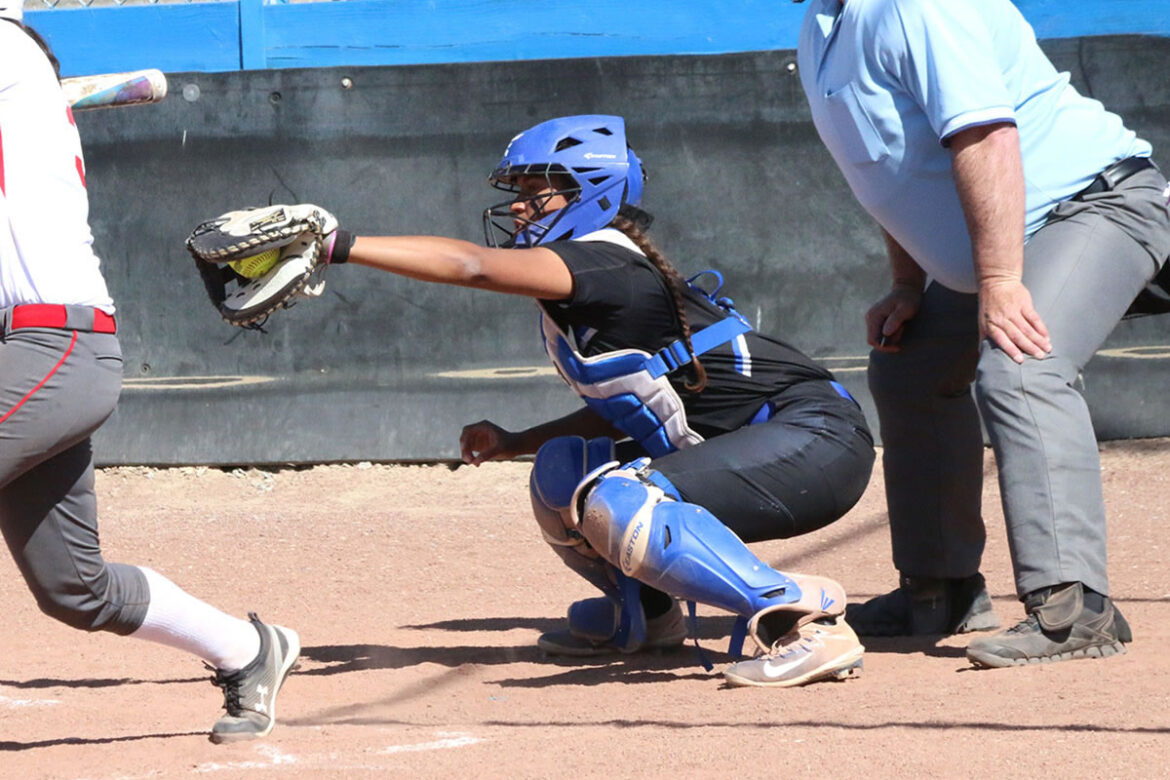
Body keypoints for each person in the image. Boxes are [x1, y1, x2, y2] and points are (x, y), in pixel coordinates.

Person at [314, 114, 876, 687]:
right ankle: (646, 617)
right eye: (521, 192)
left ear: (591, 193)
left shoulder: (604, 263)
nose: (519, 207)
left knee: (622, 498)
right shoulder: (595, 270)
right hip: (770, 444)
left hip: (818, 441)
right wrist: (518, 442)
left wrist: (340, 246)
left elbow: (472, 265)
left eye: (538, 191)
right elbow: (634, 405)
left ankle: (804, 621)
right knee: (564, 468)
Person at [795, 0, 1170, 666]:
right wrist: (909, 285)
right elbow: (887, 171)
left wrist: (998, 282)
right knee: (910, 365)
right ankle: (939, 590)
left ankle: (1075, 608)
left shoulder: (917, 5)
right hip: (1004, 237)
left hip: (1094, 202)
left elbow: (987, 136)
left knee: (1022, 364)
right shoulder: (824, 26)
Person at [0, 7, 298, 741]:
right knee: (74, 588)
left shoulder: (5, 48)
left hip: (54, 347)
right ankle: (249, 650)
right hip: (20, 355)